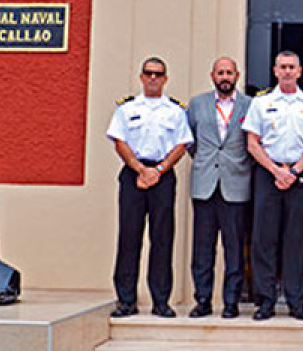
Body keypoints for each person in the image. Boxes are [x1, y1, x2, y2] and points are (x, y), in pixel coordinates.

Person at [242, 50, 303, 321]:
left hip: (299, 175)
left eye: (292, 67)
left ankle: (297, 302)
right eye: (283, 67)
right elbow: (252, 142)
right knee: (264, 240)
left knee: (297, 242)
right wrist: (276, 170)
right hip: (269, 174)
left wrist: (295, 170)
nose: (288, 71)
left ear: (299, 71)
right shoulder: (261, 103)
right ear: (275, 71)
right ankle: (265, 301)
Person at [106, 56, 193, 318]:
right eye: (148, 73)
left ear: (166, 79)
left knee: (162, 239)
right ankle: (126, 300)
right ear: (141, 77)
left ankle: (160, 301)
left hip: (162, 175)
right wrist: (140, 169)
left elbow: (182, 144)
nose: (153, 78)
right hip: (134, 175)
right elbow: (119, 141)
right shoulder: (126, 108)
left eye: (158, 74)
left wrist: (159, 170)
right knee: (129, 238)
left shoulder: (176, 111)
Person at [186, 57, 252, 319]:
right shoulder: (197, 104)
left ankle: (231, 302)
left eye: (229, 72)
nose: (225, 76)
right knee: (202, 248)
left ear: (237, 75)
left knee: (234, 248)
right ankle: (202, 300)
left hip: (236, 184)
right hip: (204, 185)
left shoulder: (250, 105)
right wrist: (206, 161)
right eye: (220, 72)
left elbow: (254, 141)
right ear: (212, 75)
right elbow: (189, 141)